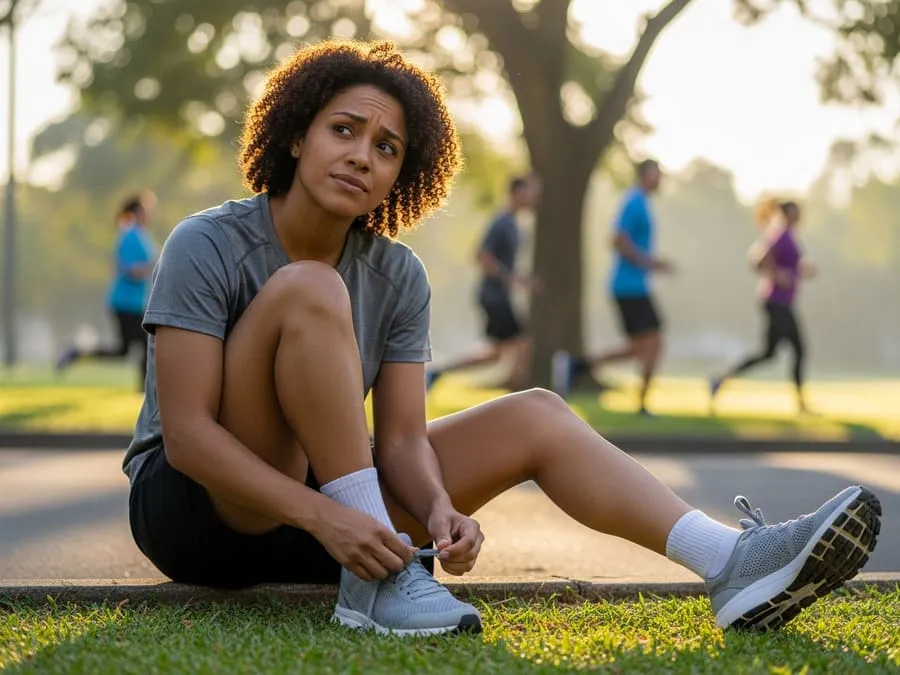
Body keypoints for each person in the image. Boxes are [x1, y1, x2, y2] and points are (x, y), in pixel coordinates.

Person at [123, 40, 880, 638]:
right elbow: (186, 437)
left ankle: (731, 562)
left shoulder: (397, 275)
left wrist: (437, 503)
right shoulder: (209, 243)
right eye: (344, 130)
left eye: (387, 147)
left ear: (403, 175)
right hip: (201, 509)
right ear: (295, 136)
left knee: (538, 411)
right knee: (311, 286)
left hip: (344, 525)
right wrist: (331, 516)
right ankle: (379, 580)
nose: (362, 154)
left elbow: (403, 439)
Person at [552, 159, 674, 415]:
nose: (660, 179)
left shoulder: (642, 203)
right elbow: (617, 239)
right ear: (645, 175)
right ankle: (640, 403)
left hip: (635, 286)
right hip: (629, 286)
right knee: (654, 342)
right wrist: (649, 262)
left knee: (643, 346)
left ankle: (579, 366)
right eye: (657, 174)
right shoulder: (634, 202)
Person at [425, 174, 540, 392]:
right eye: (529, 192)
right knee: (522, 344)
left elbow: (500, 263)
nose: (533, 198)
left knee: (495, 355)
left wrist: (520, 279)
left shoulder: (513, 225)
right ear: (516, 193)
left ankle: (437, 372)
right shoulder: (502, 222)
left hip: (498, 294)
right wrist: (509, 278)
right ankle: (518, 394)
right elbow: (480, 254)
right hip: (493, 295)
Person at [710, 199, 816, 414]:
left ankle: (720, 380)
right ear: (787, 214)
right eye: (795, 212)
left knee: (768, 354)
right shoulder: (781, 234)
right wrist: (777, 275)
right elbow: (758, 260)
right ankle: (801, 404)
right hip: (777, 302)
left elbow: (788, 265)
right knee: (799, 348)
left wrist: (801, 270)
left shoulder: (788, 235)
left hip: (781, 302)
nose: (799, 216)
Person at [56, 192, 158, 390]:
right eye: (146, 209)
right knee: (143, 342)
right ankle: (143, 389)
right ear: (137, 211)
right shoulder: (128, 234)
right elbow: (130, 269)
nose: (150, 213)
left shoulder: (141, 234)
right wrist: (156, 268)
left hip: (137, 301)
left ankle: (78, 353)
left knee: (127, 348)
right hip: (124, 301)